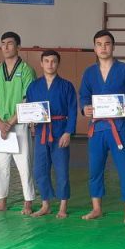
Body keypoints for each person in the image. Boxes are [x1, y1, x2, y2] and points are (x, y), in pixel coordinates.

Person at [80, 30, 125, 223]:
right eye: (99, 44)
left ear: (113, 46)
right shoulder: (89, 72)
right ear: (94, 48)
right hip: (97, 128)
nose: (103, 48)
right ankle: (96, 208)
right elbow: (84, 95)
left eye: (107, 44)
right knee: (95, 169)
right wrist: (85, 108)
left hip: (119, 127)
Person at [0, 31, 37, 214]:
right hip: (0, 125)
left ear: (18, 47)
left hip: (19, 124)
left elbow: (27, 100)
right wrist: (0, 123)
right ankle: (1, 202)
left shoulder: (27, 70)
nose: (6, 47)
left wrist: (11, 122)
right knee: (0, 165)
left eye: (10, 43)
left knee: (24, 164)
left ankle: (28, 202)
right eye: (3, 43)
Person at [25, 49, 77, 219]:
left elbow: (72, 111)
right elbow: (29, 108)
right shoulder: (33, 86)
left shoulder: (67, 86)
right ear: (41, 63)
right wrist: (31, 122)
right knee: (40, 169)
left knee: (61, 170)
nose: (50, 64)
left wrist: (68, 132)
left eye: (53, 61)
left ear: (58, 64)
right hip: (41, 130)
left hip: (60, 129)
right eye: (46, 61)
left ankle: (63, 206)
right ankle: (45, 204)